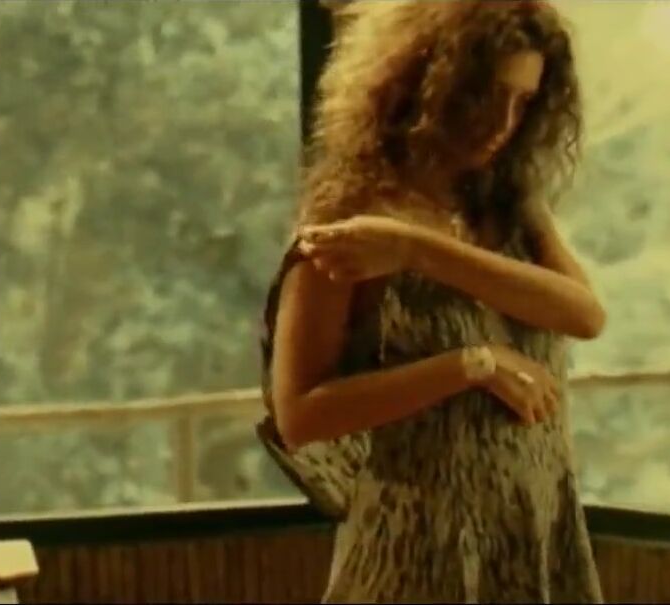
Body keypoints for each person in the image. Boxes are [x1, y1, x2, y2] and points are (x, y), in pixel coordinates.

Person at [254, 1, 605, 602]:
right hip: (417, 548)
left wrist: (418, 251)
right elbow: (301, 414)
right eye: (487, 95)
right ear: (428, 84)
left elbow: (584, 314)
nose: (504, 122)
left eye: (523, 102)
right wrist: (470, 366)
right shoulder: (352, 225)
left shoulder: (509, 205)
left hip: (535, 531)